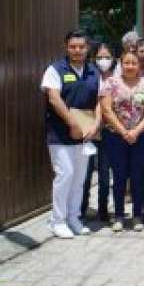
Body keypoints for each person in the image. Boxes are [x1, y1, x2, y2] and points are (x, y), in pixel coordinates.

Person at [42, 30, 101, 238]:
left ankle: (73, 218)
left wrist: (96, 124)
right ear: (66, 47)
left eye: (81, 47)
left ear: (87, 48)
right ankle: (57, 220)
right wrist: (72, 123)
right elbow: (54, 98)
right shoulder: (55, 69)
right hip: (60, 134)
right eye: (73, 46)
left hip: (85, 134)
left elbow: (100, 100)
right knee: (65, 175)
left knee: (79, 179)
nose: (77, 50)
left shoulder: (93, 71)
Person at [100, 51, 144, 232]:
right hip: (115, 136)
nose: (130, 66)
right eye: (127, 62)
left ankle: (137, 215)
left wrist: (136, 131)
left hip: (141, 137)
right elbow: (106, 110)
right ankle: (118, 215)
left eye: (134, 63)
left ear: (139, 65)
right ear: (120, 63)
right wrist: (124, 132)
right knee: (119, 176)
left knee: (138, 176)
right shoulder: (110, 83)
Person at [81, 42, 115, 222]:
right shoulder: (89, 76)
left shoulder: (116, 78)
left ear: (113, 59)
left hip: (109, 132)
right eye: (100, 57)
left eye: (107, 57)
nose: (103, 61)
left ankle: (103, 210)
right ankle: (82, 208)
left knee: (104, 173)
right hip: (88, 128)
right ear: (94, 59)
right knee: (85, 173)